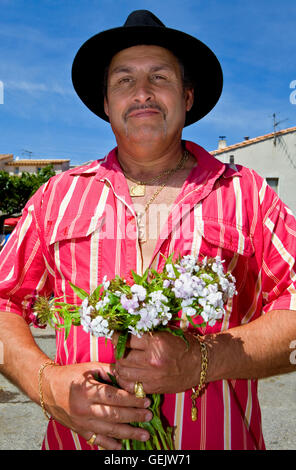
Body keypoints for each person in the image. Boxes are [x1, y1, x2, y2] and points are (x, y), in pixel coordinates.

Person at [0, 10, 296, 451]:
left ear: (188, 96)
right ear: (105, 102)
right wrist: (47, 385)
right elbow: (4, 301)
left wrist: (204, 358)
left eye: (160, 77)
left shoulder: (247, 194)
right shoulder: (56, 196)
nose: (142, 93)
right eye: (123, 80)